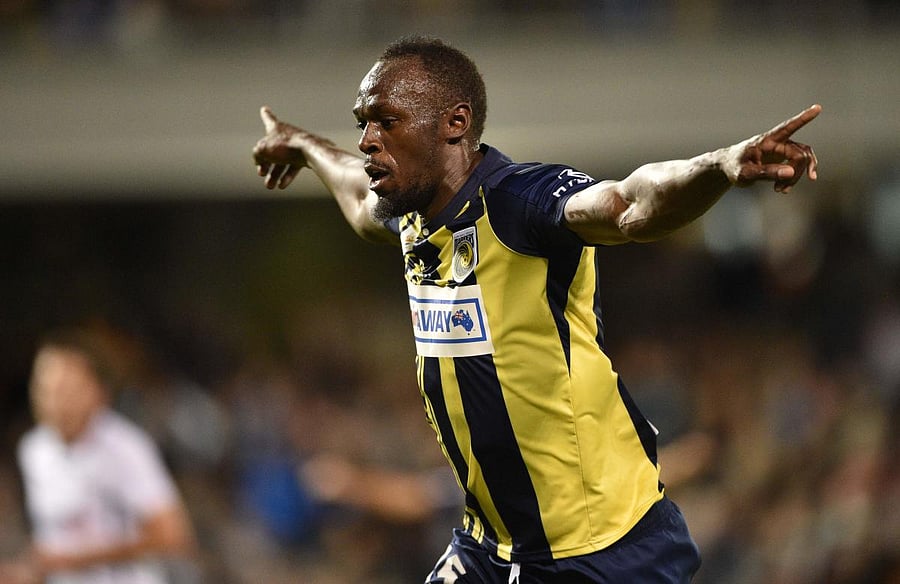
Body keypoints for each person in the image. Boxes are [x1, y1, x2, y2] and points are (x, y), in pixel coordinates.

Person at [251, 35, 820, 583]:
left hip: (603, 552)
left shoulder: (521, 203)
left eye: (387, 121)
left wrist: (720, 165)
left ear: (455, 123)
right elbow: (355, 195)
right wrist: (300, 145)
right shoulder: (411, 211)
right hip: (490, 548)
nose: (368, 140)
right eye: (363, 125)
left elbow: (630, 202)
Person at [0, 329, 197, 584]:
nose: (54, 399)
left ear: (98, 393)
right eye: (44, 387)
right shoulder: (33, 450)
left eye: (66, 388)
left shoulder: (124, 447)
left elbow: (172, 535)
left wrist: (76, 560)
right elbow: (53, 546)